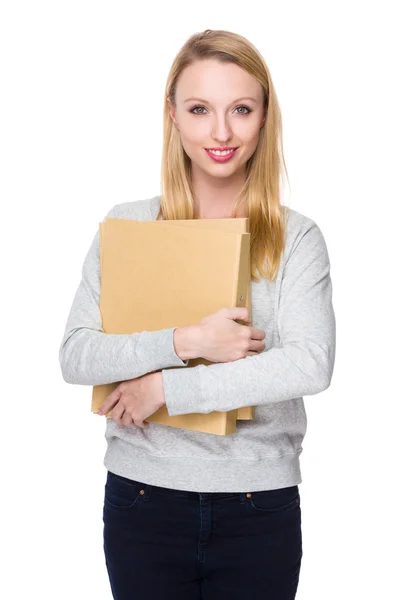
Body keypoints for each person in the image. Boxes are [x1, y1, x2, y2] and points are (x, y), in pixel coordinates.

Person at [59, 28, 336, 600]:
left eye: (241, 109)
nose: (221, 132)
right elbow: (77, 354)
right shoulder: (129, 226)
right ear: (172, 116)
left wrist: (165, 387)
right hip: (143, 498)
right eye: (199, 109)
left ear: (264, 117)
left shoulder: (296, 238)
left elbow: (309, 365)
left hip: (260, 506)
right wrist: (186, 341)